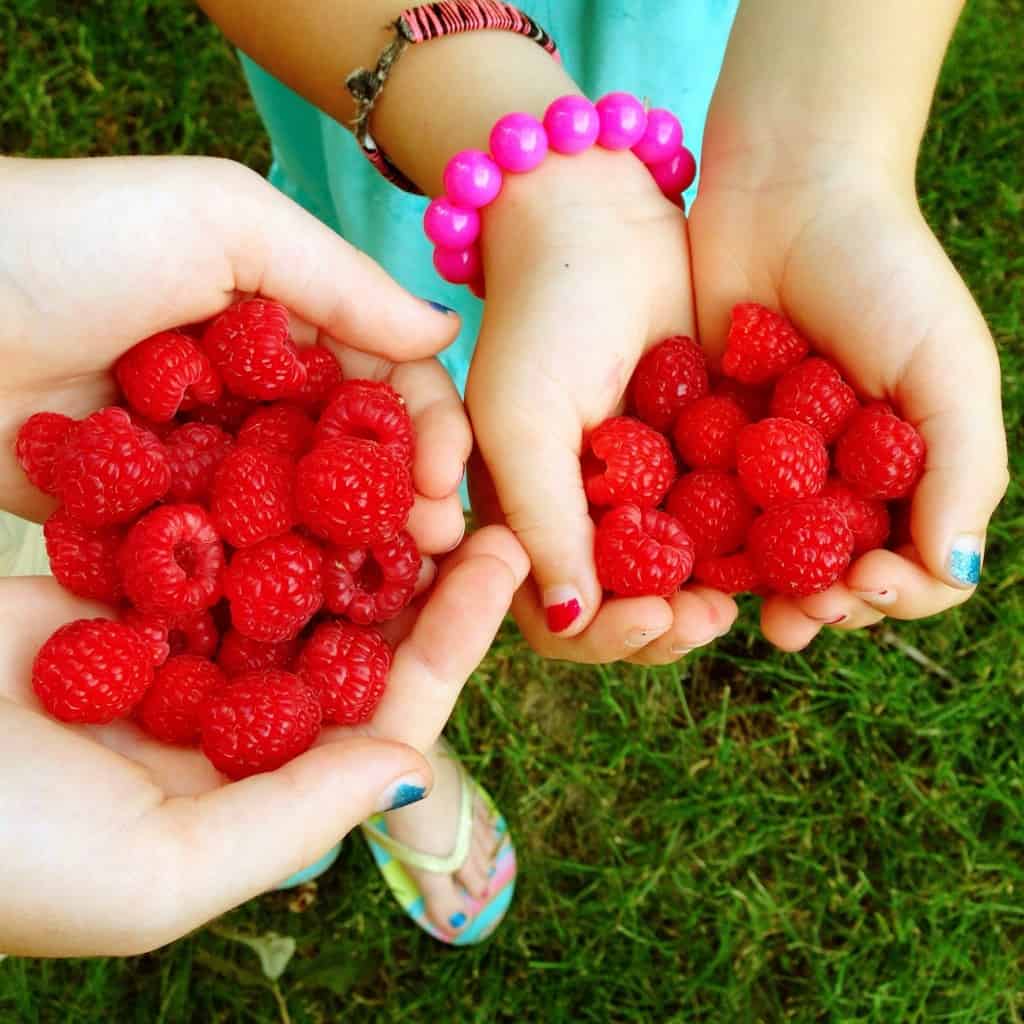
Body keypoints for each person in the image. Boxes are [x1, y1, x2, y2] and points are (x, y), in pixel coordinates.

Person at [198, 0, 1008, 940]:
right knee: (331, 527)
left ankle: (363, 746)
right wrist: (534, 174)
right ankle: (326, 735)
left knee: (403, 547)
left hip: (721, 96)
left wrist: (822, 162)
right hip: (381, 74)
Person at [0, 154, 529, 957]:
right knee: (319, 744)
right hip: (195, 609)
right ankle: (319, 797)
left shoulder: (272, 490)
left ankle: (328, 795)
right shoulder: (181, 518)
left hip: (254, 611)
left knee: (349, 709)